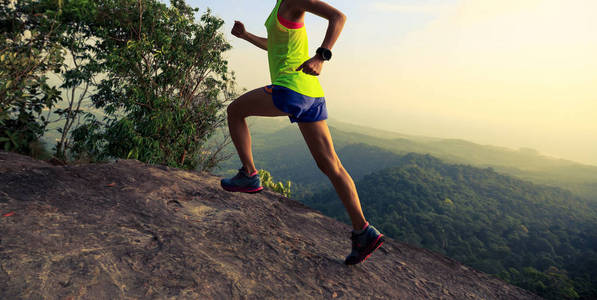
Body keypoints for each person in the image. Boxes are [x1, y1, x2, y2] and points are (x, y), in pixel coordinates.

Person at [221, 0, 384, 265]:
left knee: (235, 111)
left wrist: (322, 56)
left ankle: (250, 174)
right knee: (331, 164)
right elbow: (273, 46)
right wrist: (246, 35)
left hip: (291, 87)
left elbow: (338, 17)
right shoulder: (280, 7)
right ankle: (363, 230)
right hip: (311, 92)